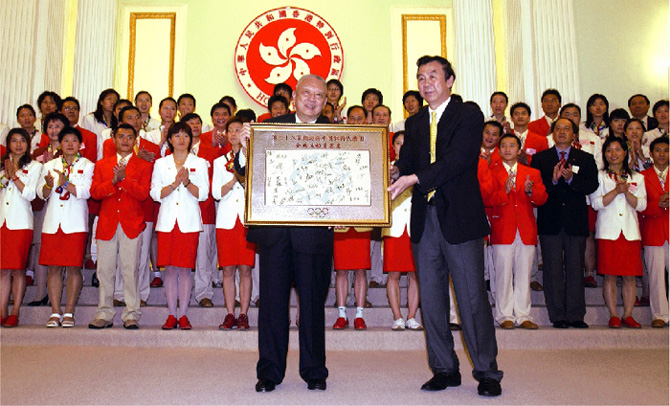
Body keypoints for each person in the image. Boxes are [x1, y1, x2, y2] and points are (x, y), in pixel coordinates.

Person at [389, 55, 503, 397]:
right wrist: (390, 173)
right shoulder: (414, 121)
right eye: (421, 77)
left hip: (460, 219)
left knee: (471, 298)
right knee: (433, 300)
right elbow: (405, 163)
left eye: (433, 76)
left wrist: (413, 177)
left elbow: (458, 160)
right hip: (425, 219)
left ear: (450, 80)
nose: (426, 83)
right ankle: (443, 368)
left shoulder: (468, 113)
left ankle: (487, 371)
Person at [237, 74, 332, 392]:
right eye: (307, 93)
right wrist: (245, 146)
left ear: (325, 101)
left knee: (312, 305)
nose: (312, 99)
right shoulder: (269, 127)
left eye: (319, 95)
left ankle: (315, 370)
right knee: (273, 305)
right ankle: (269, 371)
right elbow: (246, 171)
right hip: (275, 232)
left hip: (314, 234)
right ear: (294, 97)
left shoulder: (338, 134)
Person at [530, 118, 599, 329]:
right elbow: (536, 189)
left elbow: (592, 184)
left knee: (575, 269)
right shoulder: (541, 158)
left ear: (574, 134)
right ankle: (557, 315)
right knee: (552, 270)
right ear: (552, 133)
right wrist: (552, 180)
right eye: (558, 128)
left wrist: (570, 180)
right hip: (550, 221)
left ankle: (576, 315)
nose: (561, 132)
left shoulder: (585, 158)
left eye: (566, 129)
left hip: (575, 222)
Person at [88, 124, 152, 330]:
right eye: (121, 136)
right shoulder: (101, 164)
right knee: (104, 270)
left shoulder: (143, 165)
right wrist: (113, 181)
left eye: (129, 137)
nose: (125, 140)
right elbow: (95, 193)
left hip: (131, 224)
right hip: (107, 223)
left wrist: (124, 180)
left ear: (136, 140)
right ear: (114, 139)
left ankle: (131, 313)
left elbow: (143, 194)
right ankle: (104, 312)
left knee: (130, 269)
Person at [151, 122, 209, 330]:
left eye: (185, 135)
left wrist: (186, 183)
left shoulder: (200, 163)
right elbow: (155, 194)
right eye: (177, 135)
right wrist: (175, 184)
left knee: (184, 270)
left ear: (190, 139)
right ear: (170, 139)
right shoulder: (161, 163)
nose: (181, 139)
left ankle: (183, 314)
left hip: (189, 222)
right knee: (170, 270)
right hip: (167, 222)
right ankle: (171, 314)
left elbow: (203, 194)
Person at [102, 106, 161, 307]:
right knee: (113, 261)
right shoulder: (110, 148)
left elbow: (154, 178)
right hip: (115, 211)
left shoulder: (151, 146)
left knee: (139, 258)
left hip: (142, 209)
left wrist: (138, 162)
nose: (135, 120)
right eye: (129, 117)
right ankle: (118, 295)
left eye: (137, 117)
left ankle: (140, 295)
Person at [488, 133, 547, 329]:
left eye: (512, 145)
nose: (507, 149)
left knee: (524, 273)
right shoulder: (492, 171)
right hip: (502, 227)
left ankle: (523, 315)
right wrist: (503, 192)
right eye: (503, 145)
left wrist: (530, 192)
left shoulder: (532, 172)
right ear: (498, 150)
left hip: (526, 229)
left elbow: (542, 199)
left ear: (519, 149)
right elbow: (487, 200)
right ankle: (504, 315)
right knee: (503, 274)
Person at [37, 127, 94, 328]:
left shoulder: (87, 165)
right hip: (53, 222)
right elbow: (42, 194)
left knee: (73, 267)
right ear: (60, 144)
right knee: (54, 267)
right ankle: (55, 311)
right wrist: (47, 185)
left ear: (80, 144)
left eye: (74, 141)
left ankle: (69, 311)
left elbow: (88, 191)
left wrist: (67, 184)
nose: (70, 144)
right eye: (66, 140)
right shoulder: (49, 165)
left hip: (75, 222)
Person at [590, 137, 647, 328]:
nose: (613, 154)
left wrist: (626, 192)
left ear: (625, 153)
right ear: (605, 154)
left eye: (617, 150)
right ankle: (614, 314)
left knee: (629, 276)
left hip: (630, 232)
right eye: (609, 150)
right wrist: (615, 191)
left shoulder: (638, 178)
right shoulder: (599, 176)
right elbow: (596, 203)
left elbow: (642, 205)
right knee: (610, 275)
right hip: (608, 231)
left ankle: (628, 314)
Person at [212, 116, 256, 329]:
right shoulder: (219, 162)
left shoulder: (254, 158)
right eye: (230, 130)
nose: (234, 133)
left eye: (238, 129)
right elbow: (216, 193)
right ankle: (230, 312)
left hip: (246, 220)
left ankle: (244, 313)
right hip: (226, 220)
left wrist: (243, 177)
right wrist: (233, 179)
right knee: (228, 269)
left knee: (245, 269)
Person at [0, 128, 42, 327]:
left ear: (28, 144)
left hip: (21, 223)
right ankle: (2, 310)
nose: (18, 144)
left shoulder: (34, 166)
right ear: (8, 143)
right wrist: (5, 175)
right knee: (2, 270)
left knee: (17, 269)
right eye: (14, 140)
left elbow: (31, 195)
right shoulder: (1, 164)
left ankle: (15, 311)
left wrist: (14, 176)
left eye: (22, 141)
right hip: (2, 222)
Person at [181, 112, 221, 309]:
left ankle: (204, 292)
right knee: (183, 255)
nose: (195, 125)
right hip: (181, 211)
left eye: (198, 122)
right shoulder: (176, 153)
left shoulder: (211, 150)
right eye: (190, 123)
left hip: (205, 209)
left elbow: (217, 179)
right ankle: (183, 292)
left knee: (205, 254)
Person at [382, 131, 422, 331]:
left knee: (416, 274)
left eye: (405, 144)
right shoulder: (385, 168)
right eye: (398, 143)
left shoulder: (421, 169)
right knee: (394, 275)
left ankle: (412, 316)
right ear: (393, 146)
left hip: (417, 226)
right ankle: (397, 316)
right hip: (394, 227)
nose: (401, 147)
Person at [640, 136, 669, 328]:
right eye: (658, 150)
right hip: (653, 231)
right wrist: (656, 205)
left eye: (666, 150)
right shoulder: (642, 177)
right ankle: (659, 314)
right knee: (656, 276)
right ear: (650, 154)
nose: (662, 154)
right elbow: (639, 207)